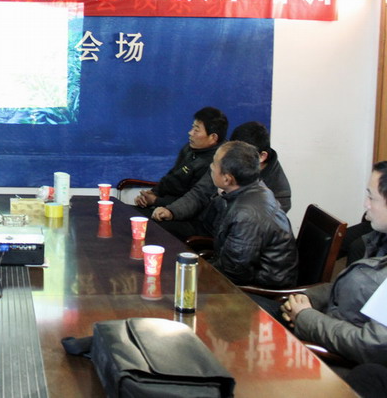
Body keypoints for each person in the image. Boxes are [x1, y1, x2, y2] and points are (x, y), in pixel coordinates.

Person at [280, 161, 387, 365]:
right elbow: (344, 289)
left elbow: (372, 346)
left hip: (340, 359)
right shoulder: (377, 239)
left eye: (371, 197)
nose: (365, 204)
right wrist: (307, 298)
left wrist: (306, 317)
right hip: (326, 327)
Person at [152, 121, 291, 240]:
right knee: (153, 227)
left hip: (221, 237)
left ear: (262, 156)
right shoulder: (226, 161)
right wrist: (172, 211)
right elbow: (200, 193)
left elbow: (243, 237)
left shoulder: (279, 193)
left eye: (241, 154)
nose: (232, 157)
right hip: (201, 220)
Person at [203, 141, 298, 288]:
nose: (211, 166)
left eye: (214, 164)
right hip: (244, 279)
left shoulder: (246, 216)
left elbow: (234, 273)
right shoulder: (255, 188)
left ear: (227, 179)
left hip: (259, 291)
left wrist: (199, 272)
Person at [133, 106, 228, 212]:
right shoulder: (189, 149)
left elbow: (194, 200)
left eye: (196, 130)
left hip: (183, 213)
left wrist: (156, 201)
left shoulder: (217, 162)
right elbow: (172, 175)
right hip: (164, 204)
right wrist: (152, 193)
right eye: (192, 128)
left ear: (213, 137)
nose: (190, 133)